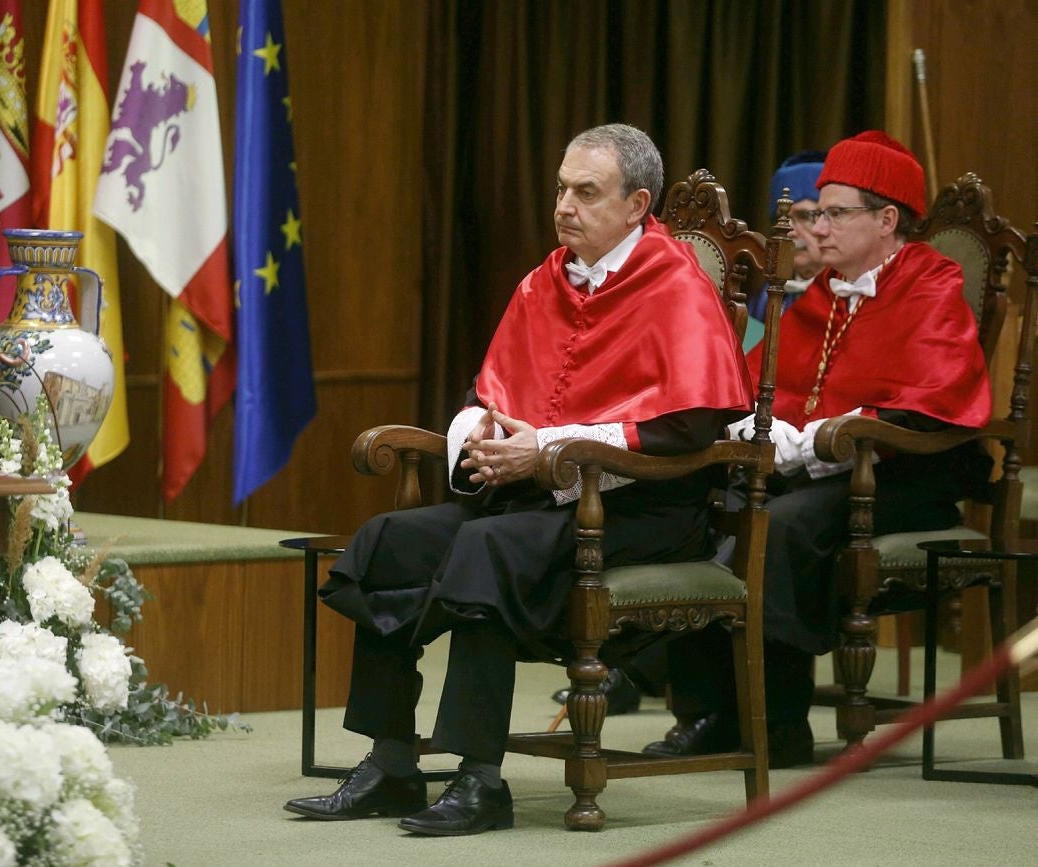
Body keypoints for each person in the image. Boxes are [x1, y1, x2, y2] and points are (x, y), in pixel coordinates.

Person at [283, 124, 754, 836]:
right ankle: (392, 762)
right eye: (561, 187)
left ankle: (480, 780)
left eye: (585, 192)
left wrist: (552, 451)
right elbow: (492, 390)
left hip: (641, 510)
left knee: (485, 550)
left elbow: (683, 429)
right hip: (535, 501)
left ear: (636, 204)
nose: (564, 205)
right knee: (389, 542)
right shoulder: (546, 280)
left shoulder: (676, 287)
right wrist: (477, 432)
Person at [643, 130, 993, 768]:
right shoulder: (825, 294)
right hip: (817, 473)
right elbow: (759, 379)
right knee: (693, 508)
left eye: (834, 213)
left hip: (904, 477)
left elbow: (931, 396)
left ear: (887, 220)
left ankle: (777, 723)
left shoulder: (930, 282)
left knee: (779, 525)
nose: (817, 228)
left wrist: (827, 438)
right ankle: (707, 712)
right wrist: (762, 425)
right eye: (814, 214)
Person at [746, 150, 827, 326]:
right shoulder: (766, 300)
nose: (789, 232)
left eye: (804, 216)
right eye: (781, 220)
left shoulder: (850, 297)